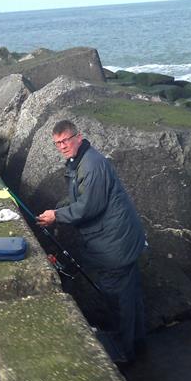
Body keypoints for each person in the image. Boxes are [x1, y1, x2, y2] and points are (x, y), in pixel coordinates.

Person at [36, 120, 147, 363]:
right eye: (57, 143)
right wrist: (58, 209)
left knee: (118, 299)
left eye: (66, 140)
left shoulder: (92, 165)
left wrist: (56, 216)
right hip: (119, 241)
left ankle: (124, 352)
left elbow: (88, 207)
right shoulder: (78, 161)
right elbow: (78, 197)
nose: (62, 146)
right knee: (130, 296)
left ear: (78, 137)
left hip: (115, 245)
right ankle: (137, 344)